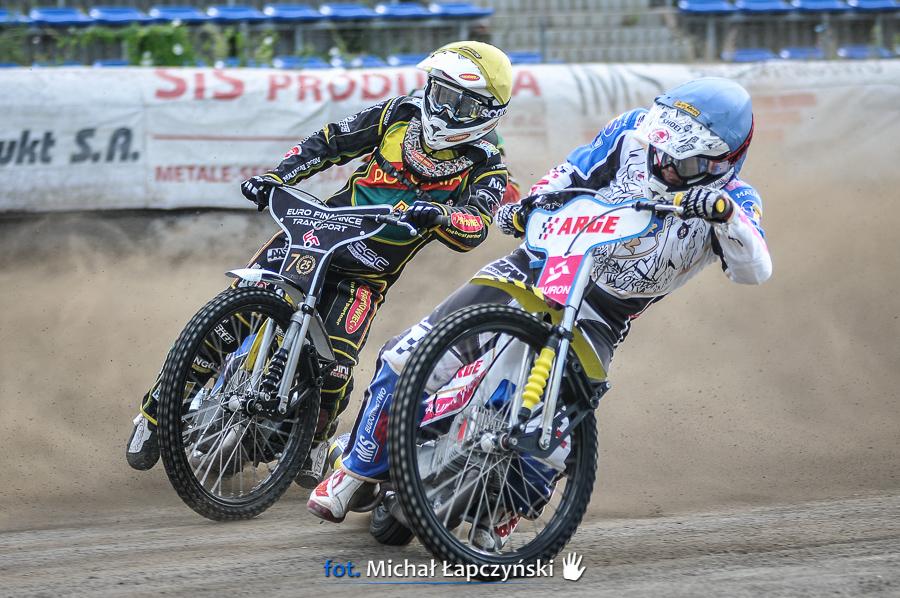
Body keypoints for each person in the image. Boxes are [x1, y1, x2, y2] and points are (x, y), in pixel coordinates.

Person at [306, 77, 773, 524]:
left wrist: (727, 217)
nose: (666, 166)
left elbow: (755, 269)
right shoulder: (632, 132)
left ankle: (502, 516)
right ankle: (353, 472)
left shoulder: (735, 199)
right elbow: (570, 171)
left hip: (601, 315)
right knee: (409, 354)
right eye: (661, 152)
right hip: (540, 264)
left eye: (684, 165)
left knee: (551, 453)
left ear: (722, 163)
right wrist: (531, 204)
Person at [125, 41, 513, 474]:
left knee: (335, 367)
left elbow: (476, 225)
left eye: (458, 102)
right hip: (312, 235)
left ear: (485, 112)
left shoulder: (488, 165)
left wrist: (441, 216)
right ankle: (154, 414)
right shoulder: (398, 113)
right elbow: (328, 142)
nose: (441, 108)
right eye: (439, 93)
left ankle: (314, 441)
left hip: (366, 274)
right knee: (230, 318)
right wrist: (276, 177)